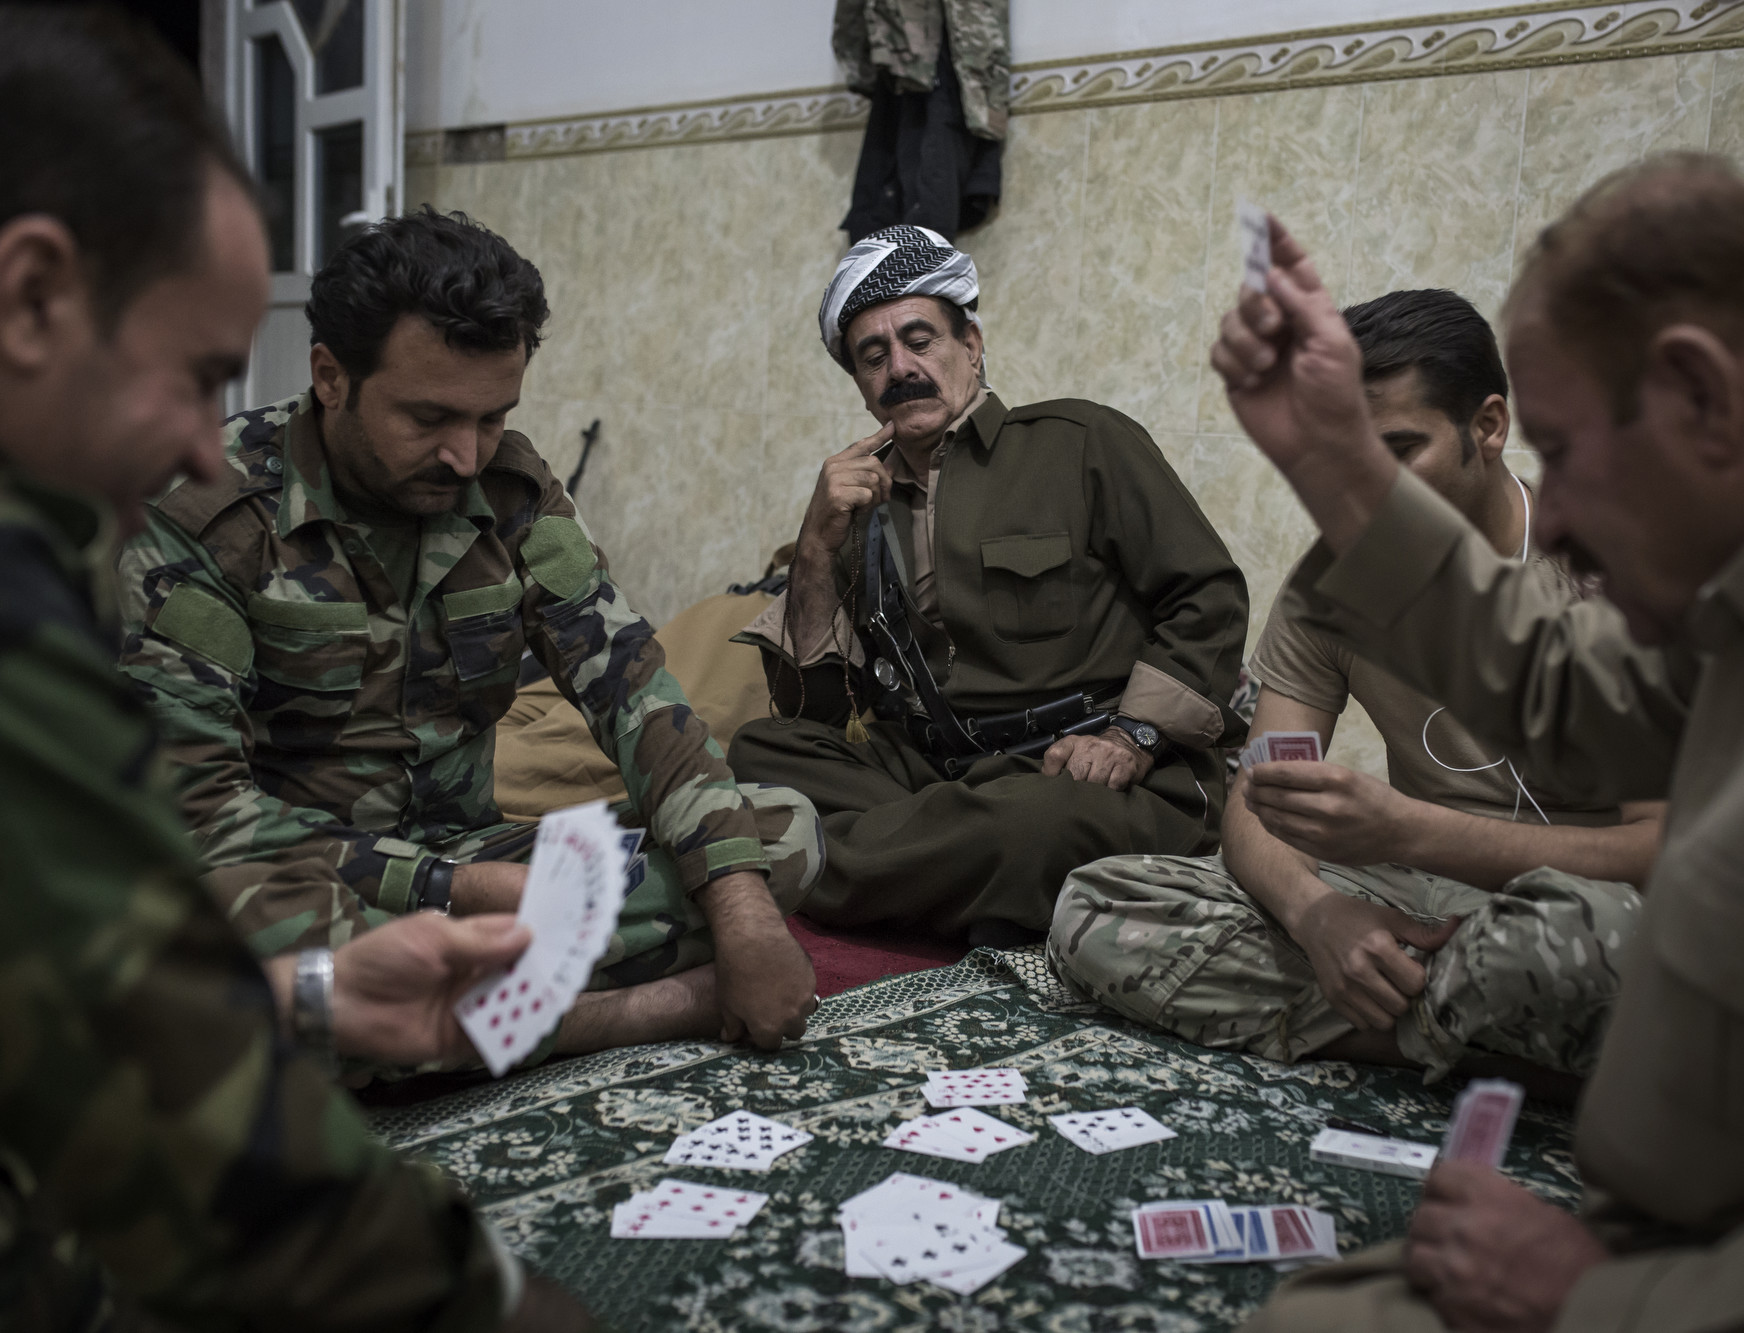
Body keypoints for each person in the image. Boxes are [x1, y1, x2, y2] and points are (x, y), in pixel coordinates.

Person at [1216, 156, 1744, 1332]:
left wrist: (1592, 1296)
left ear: (1700, 394)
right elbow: (1565, 692)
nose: (1558, 514)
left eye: (1569, 453)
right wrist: (1336, 465)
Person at [0, 8, 598, 1327]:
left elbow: (76, 991)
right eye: (193, 376)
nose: (203, 450)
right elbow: (230, 1161)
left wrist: (317, 997)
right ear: (34, 296)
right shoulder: (31, 602)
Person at [118, 208, 821, 1056]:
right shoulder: (204, 516)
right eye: (430, 418)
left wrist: (742, 913)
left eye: (492, 418)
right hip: (303, 878)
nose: (466, 455)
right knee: (219, 960)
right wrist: (456, 888)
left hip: (473, 850)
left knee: (775, 834)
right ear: (330, 376)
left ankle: (432, 1035)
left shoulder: (511, 489)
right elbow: (200, 813)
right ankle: (639, 1009)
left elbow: (632, 689)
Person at [1050, 288, 1671, 1084]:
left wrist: (1406, 830)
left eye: (1397, 449)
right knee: (1094, 907)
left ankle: (1457, 1020)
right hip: (1413, 898)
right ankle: (1500, 1042)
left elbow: (1660, 853)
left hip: (1577, 903)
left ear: (1487, 427)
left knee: (1599, 948)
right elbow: (1257, 801)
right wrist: (1319, 918)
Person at [727, 225, 1249, 942]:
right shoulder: (858, 506)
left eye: (920, 339)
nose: (899, 368)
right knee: (757, 752)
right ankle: (955, 873)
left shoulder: (1081, 442)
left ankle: (794, 868)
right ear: (858, 382)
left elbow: (1209, 596)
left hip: (1086, 772)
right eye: (873, 356)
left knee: (1029, 822)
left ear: (970, 344)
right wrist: (815, 548)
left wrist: (1132, 736)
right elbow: (811, 719)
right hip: (939, 773)